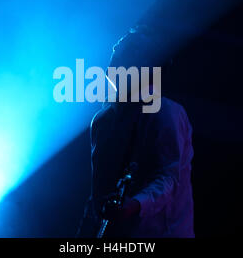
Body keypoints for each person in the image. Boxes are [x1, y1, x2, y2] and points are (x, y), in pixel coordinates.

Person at [77, 25, 194, 237]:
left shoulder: (166, 111)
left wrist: (134, 206)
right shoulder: (103, 121)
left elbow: (169, 177)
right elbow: (98, 196)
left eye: (126, 48)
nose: (115, 47)